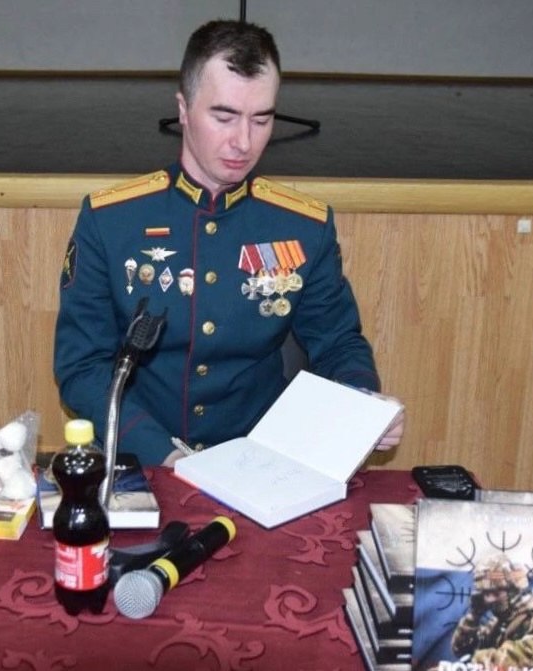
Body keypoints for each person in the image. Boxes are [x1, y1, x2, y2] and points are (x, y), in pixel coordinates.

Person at [53, 19, 404, 466]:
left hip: (260, 463)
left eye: (262, 119)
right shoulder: (112, 221)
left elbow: (337, 342)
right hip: (145, 461)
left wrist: (362, 404)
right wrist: (164, 455)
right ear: (183, 109)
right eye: (224, 117)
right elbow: (82, 368)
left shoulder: (303, 226)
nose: (243, 141)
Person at [451, 555, 533, 670]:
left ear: (514, 591)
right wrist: (473, 616)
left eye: (496, 592)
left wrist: (477, 662)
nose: (490, 599)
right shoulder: (496, 625)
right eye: (486, 593)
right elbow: (461, 650)